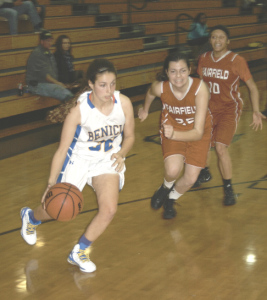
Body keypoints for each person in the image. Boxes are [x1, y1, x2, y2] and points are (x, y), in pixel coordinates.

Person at [20, 58, 135, 273]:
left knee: (109, 209)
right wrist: (50, 184)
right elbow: (62, 149)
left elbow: (129, 136)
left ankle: (80, 251)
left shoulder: (124, 103)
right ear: (91, 84)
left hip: (107, 159)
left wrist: (121, 153)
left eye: (113, 83)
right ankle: (31, 217)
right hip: (79, 159)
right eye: (102, 85)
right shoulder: (79, 111)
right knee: (56, 209)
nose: (109, 90)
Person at [195, 25, 266, 205]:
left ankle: (228, 189)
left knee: (220, 148)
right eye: (213, 37)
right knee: (201, 141)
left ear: (228, 41)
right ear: (210, 40)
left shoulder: (237, 60)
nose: (217, 40)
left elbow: (252, 87)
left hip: (229, 108)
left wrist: (256, 110)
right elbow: (199, 85)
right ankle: (205, 171)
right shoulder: (203, 58)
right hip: (209, 108)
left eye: (221, 37)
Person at [138, 51, 212, 219]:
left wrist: (174, 135)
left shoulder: (200, 89)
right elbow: (150, 92)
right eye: (173, 71)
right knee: (172, 170)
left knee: (191, 179)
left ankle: (170, 199)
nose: (178, 76)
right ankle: (165, 187)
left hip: (197, 132)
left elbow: (198, 132)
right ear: (166, 72)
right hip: (172, 127)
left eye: (182, 70)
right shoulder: (161, 87)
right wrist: (145, 109)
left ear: (189, 69)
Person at [26, 30, 74, 102]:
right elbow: (44, 75)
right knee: (64, 93)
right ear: (42, 41)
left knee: (63, 89)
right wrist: (58, 83)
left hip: (48, 83)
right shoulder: (37, 53)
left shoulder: (49, 52)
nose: (50, 43)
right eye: (47, 41)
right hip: (37, 85)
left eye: (51, 41)